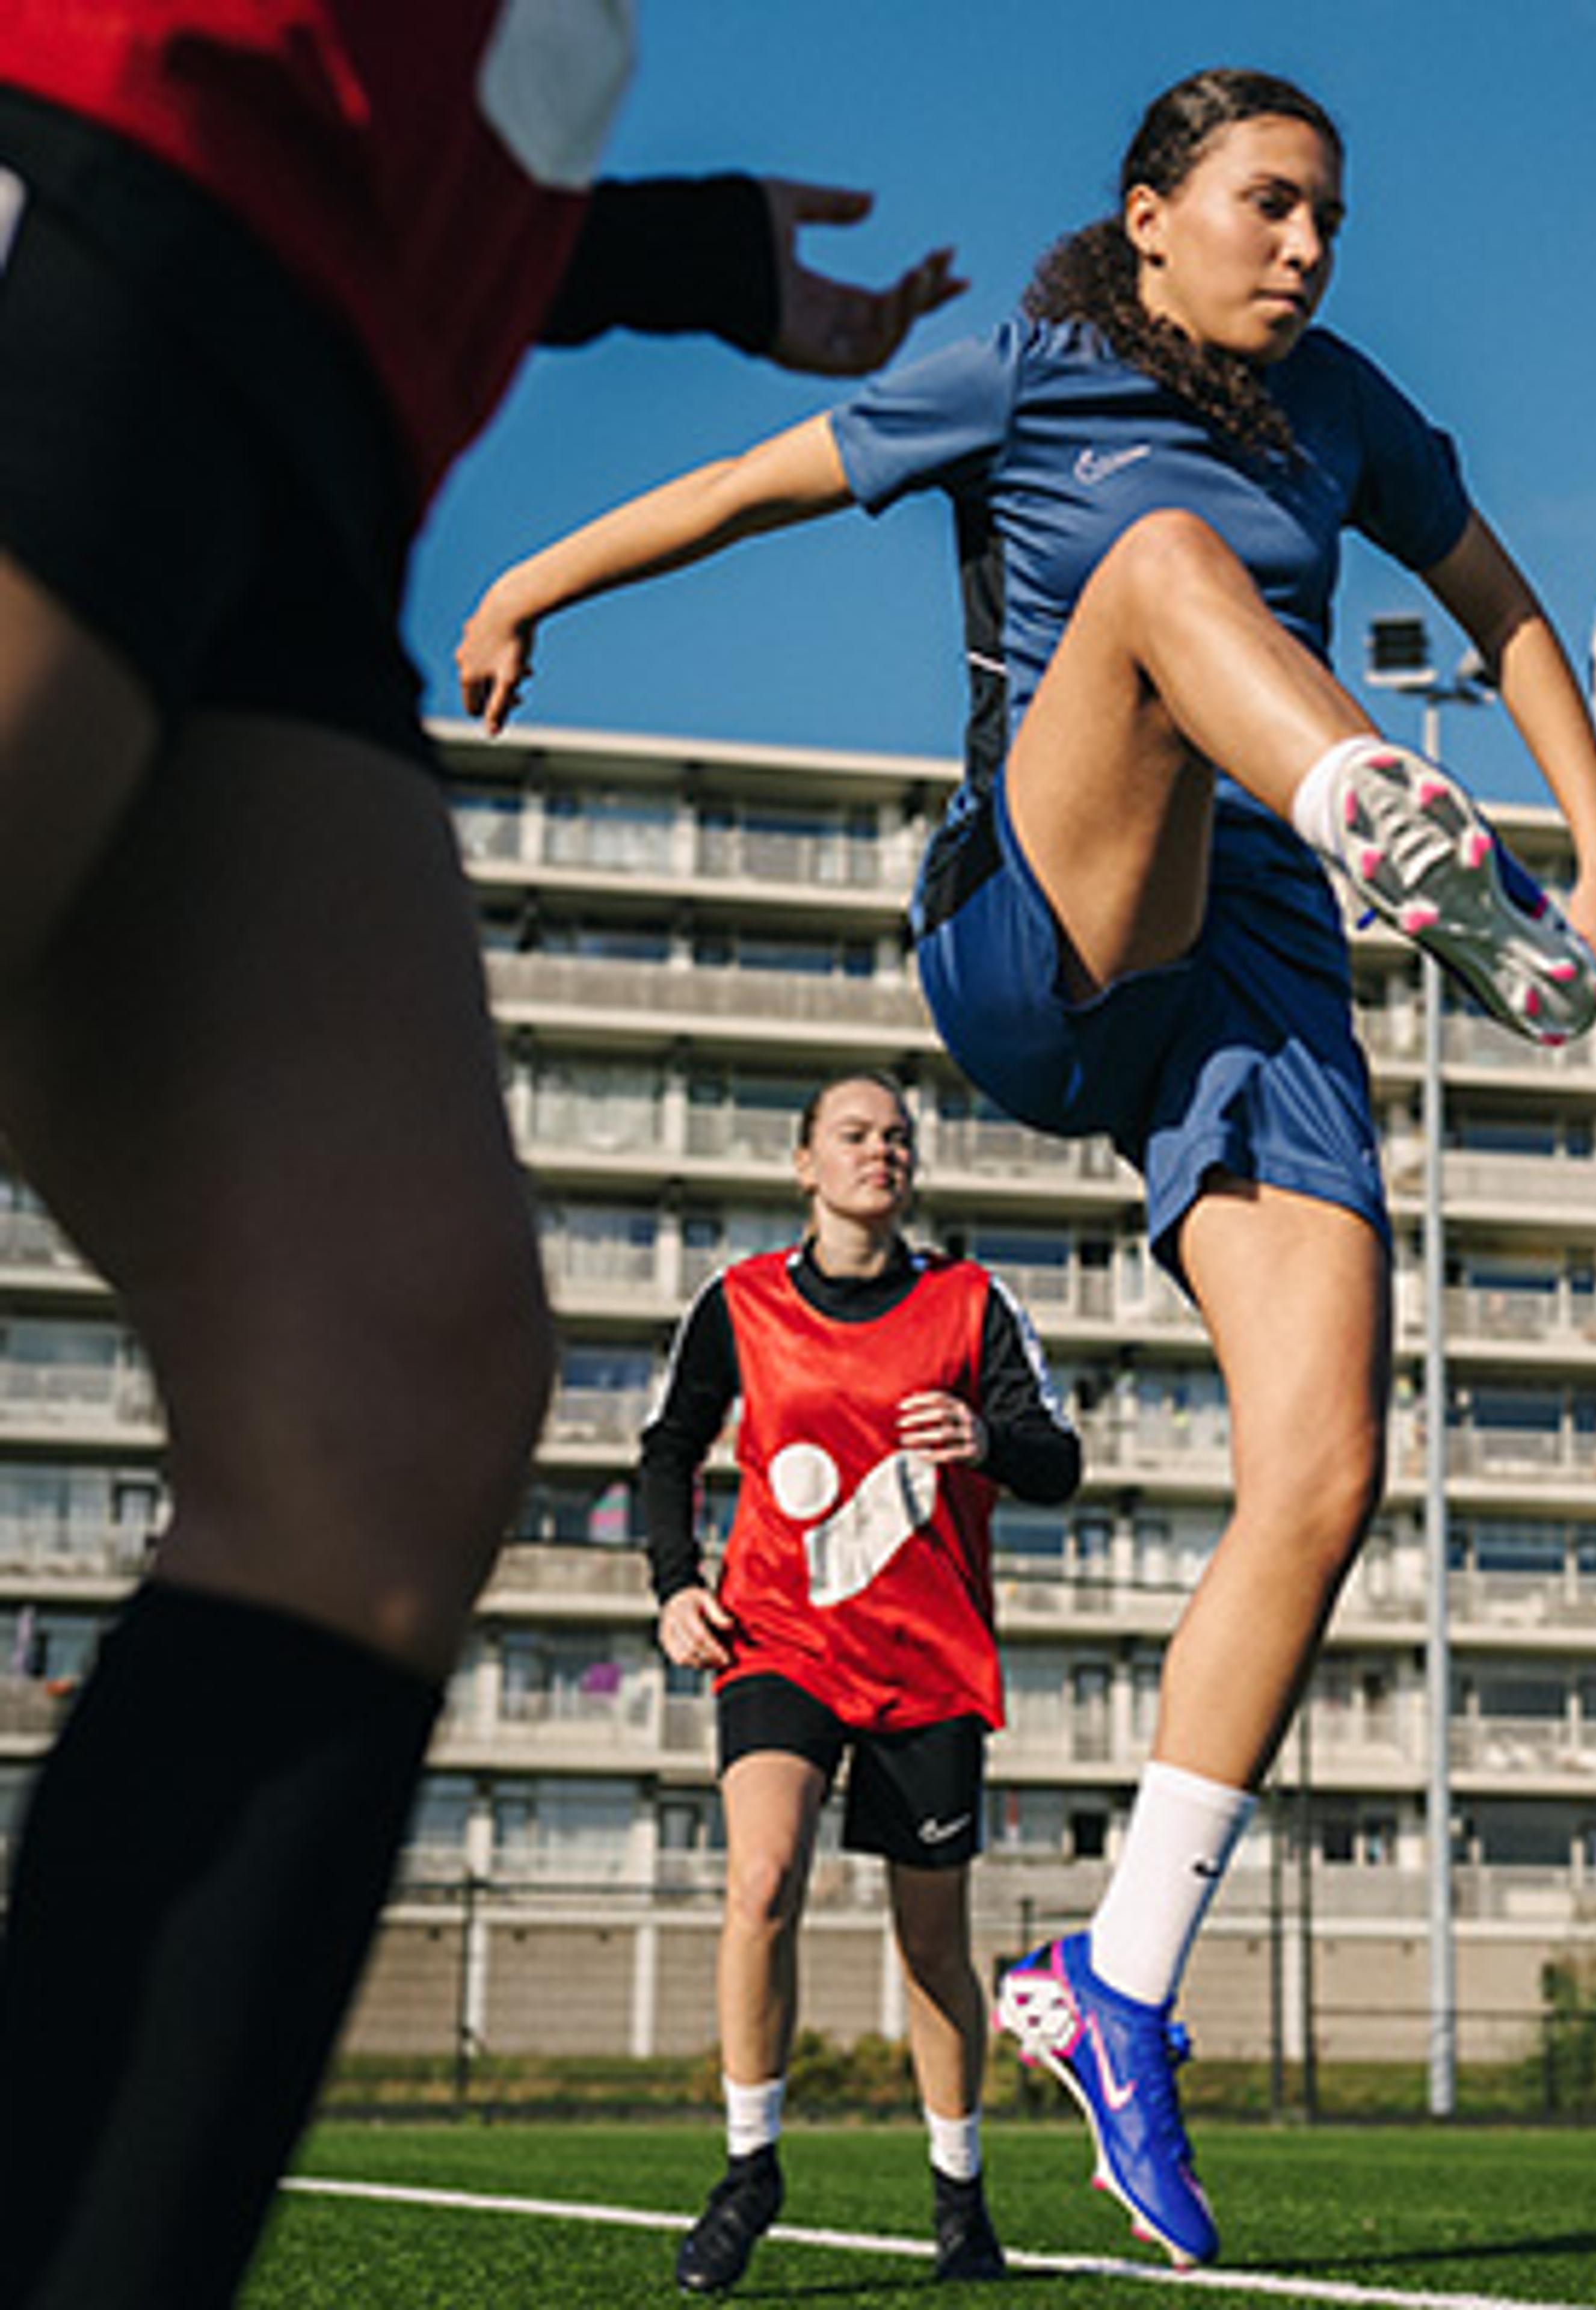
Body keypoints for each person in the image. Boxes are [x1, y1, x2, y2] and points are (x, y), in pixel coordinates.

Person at [459, 63, 1596, 2267]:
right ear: (1150, 216)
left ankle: (1115, 1982)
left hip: (1270, 976)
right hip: (1042, 922)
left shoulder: (1353, 410)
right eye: (1268, 207)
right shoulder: (1027, 375)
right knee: (1171, 564)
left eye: (1330, 219)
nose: (1306, 249)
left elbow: (1502, 604)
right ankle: (1382, 816)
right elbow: (750, 488)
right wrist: (531, 577)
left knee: (1321, 1475)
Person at [0, 10, 961, 2306]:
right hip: (101, 155)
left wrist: (673, 254)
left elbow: (425, 88)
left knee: (386, 1397)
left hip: (311, 361)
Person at [639, 1070, 1079, 2293]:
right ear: (805, 1165)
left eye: (897, 1136)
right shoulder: (738, 1304)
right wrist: (675, 1582)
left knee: (932, 1945)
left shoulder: (972, 1303)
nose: (879, 1150)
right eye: (854, 1134)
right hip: (779, 1639)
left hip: (928, 1659)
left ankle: (959, 2198)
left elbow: (1059, 1458)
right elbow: (669, 1446)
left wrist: (988, 1439)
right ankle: (748, 2171)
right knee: (762, 1878)